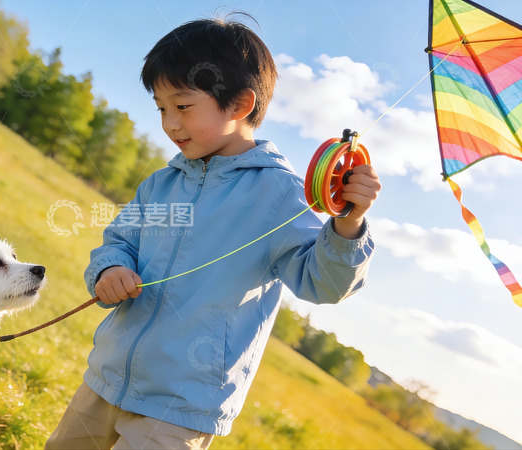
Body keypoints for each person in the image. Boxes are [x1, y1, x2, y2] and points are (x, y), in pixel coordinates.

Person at [46, 14, 380, 450]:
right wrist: (110, 269)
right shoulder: (163, 184)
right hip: (108, 377)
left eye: (182, 106)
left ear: (240, 104)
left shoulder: (278, 194)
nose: (169, 123)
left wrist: (349, 222)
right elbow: (120, 242)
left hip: (184, 405)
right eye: (161, 108)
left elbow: (324, 283)